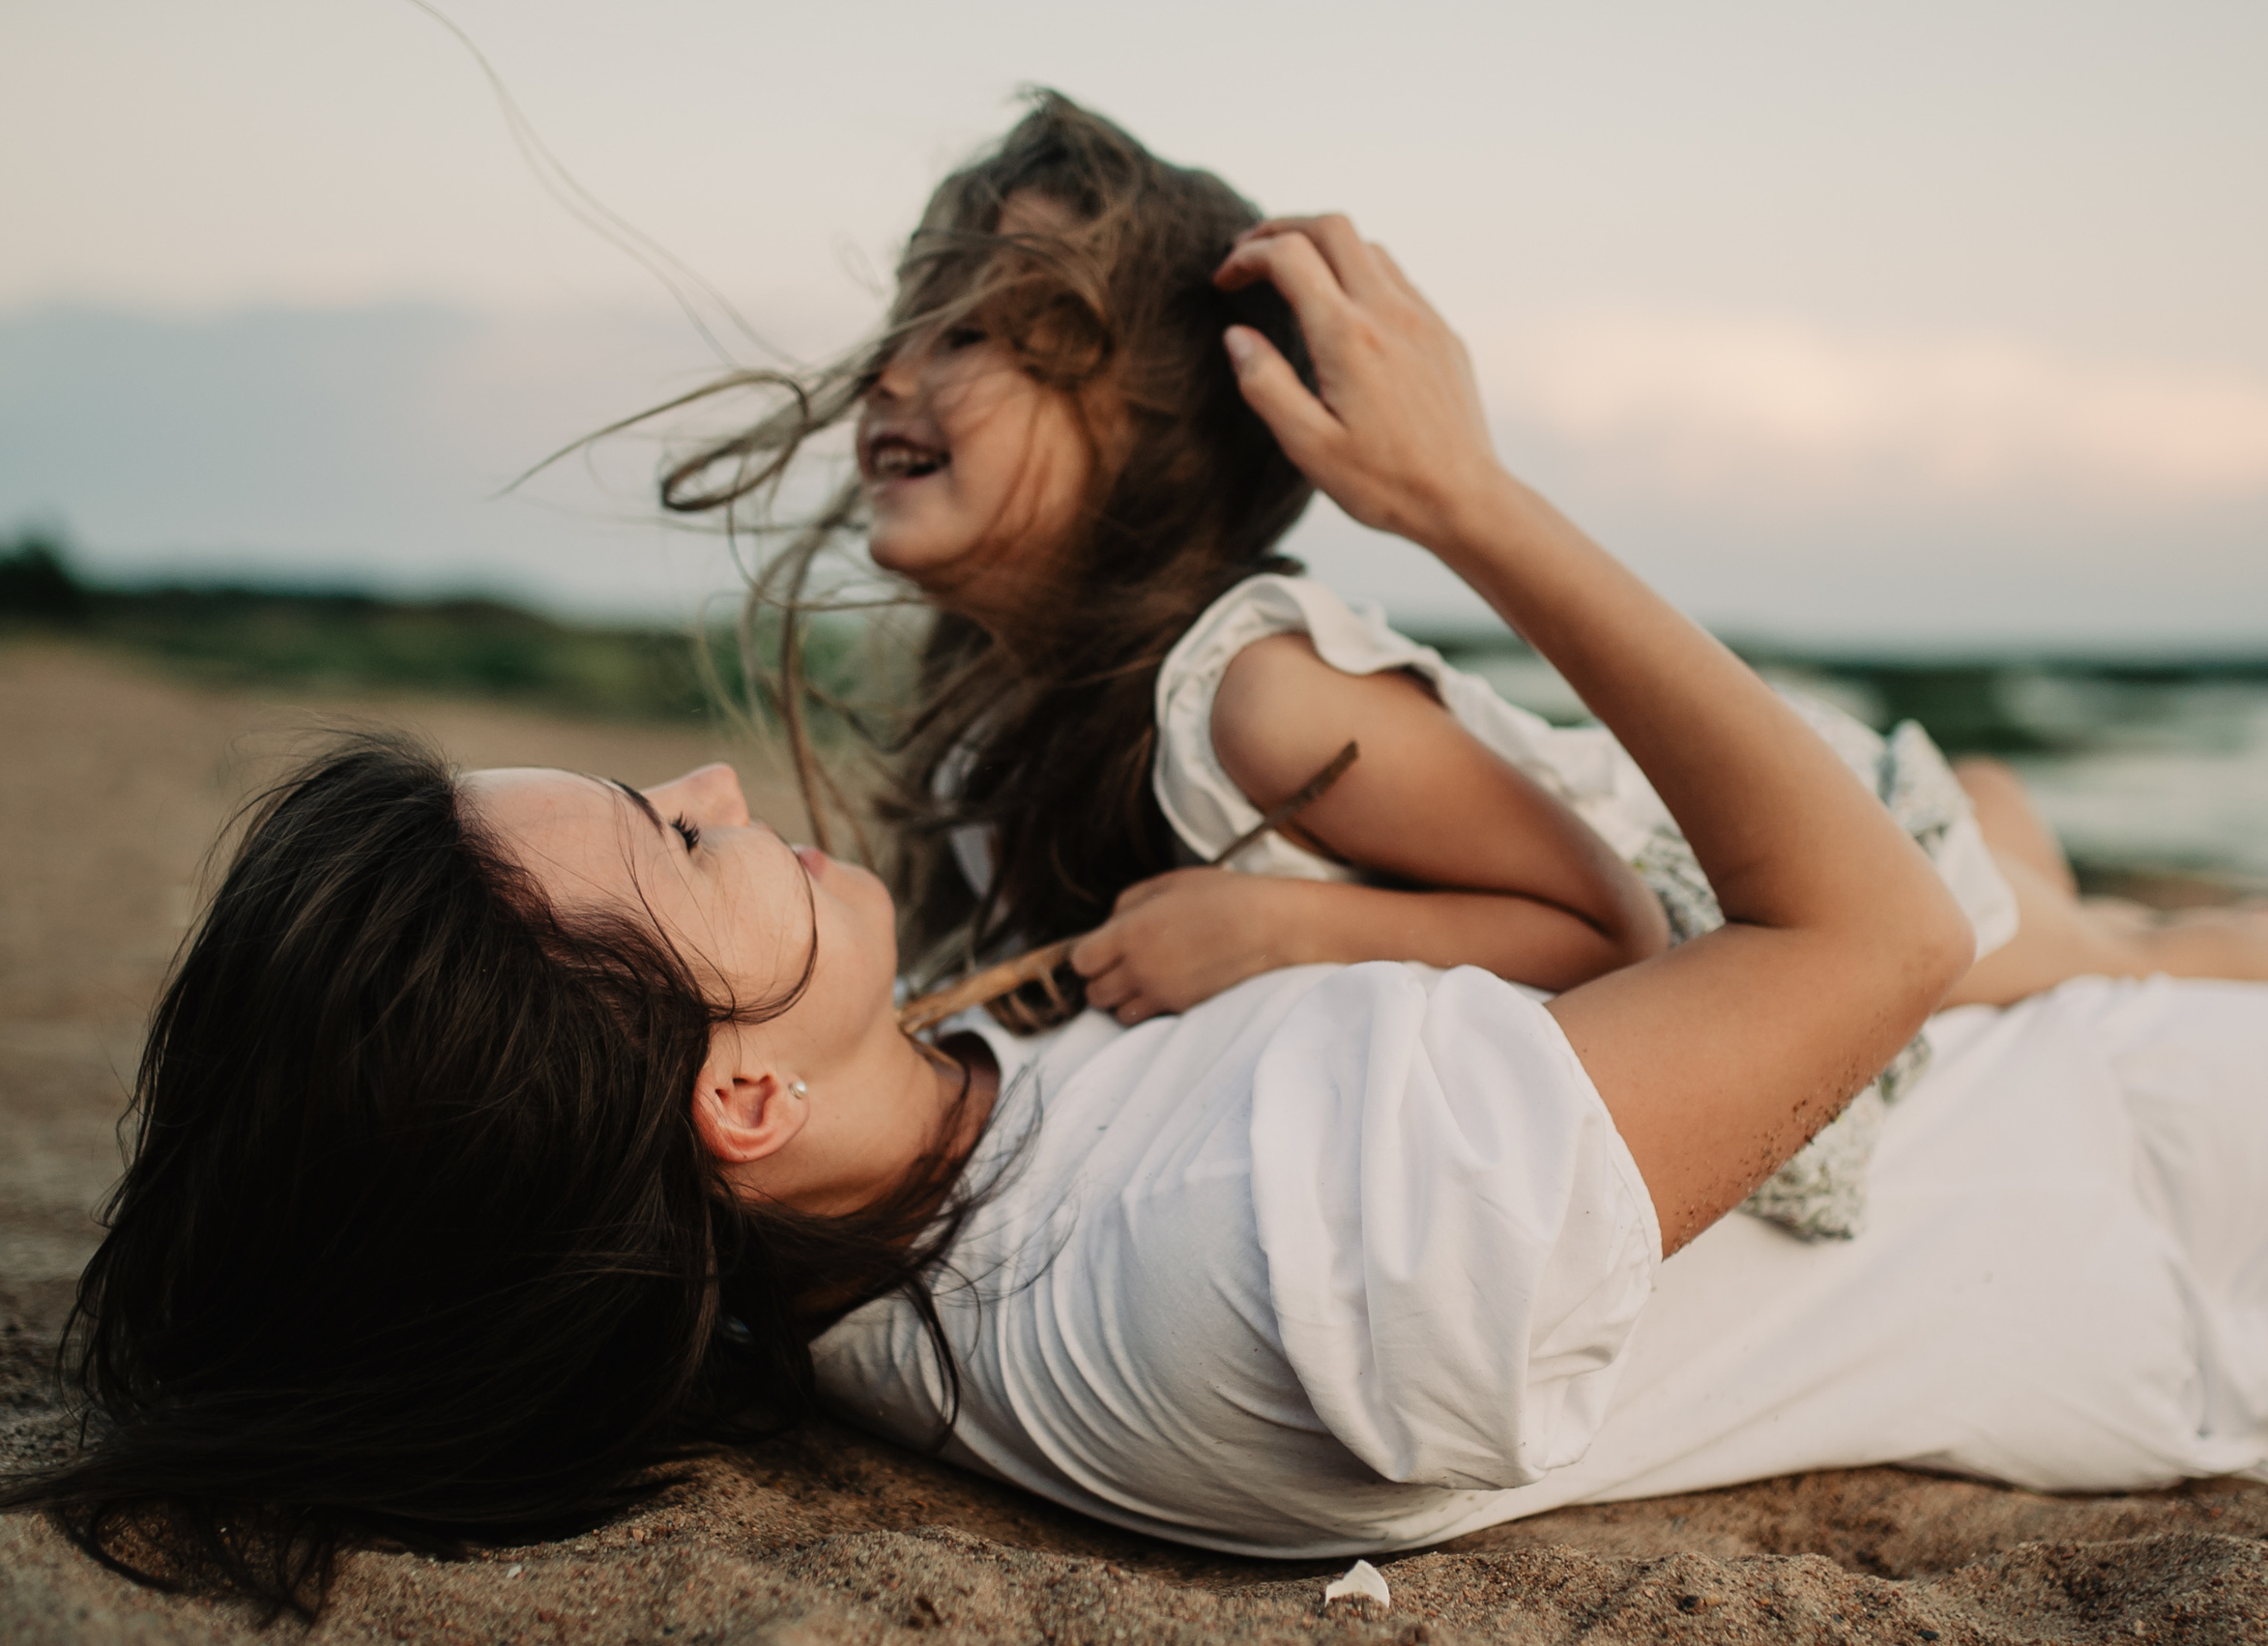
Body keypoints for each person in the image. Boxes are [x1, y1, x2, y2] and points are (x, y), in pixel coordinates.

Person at [0, 210, 2268, 1618]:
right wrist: (1462, 497)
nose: (705, 782)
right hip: (2185, 1182)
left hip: (2088, 1084)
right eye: (672, 849)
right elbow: (1863, 943)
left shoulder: (888, 1158)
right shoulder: (1279, 1284)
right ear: (734, 1094)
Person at [656, 93, 2267, 1038]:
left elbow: (1615, 934)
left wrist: (1284, 934)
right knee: (2043, 868)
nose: (887, 377)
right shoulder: (1003, 692)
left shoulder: (1256, 699)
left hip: (1792, 856)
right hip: (1696, 816)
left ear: (1158, 429)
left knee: (2120, 963)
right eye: (909, 321)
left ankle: (2011, 840)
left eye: (983, 334)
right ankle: (2004, 807)